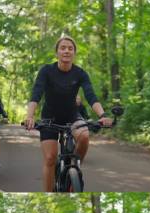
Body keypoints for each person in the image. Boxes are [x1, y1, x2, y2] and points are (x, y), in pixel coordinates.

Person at [24, 36, 113, 192]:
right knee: (51, 158)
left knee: (84, 136)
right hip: (49, 118)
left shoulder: (80, 73)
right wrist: (30, 117)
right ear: (57, 52)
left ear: (74, 53)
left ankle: (74, 165)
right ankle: (49, 193)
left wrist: (102, 115)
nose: (66, 51)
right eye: (63, 48)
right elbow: (36, 94)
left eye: (70, 48)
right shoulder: (47, 71)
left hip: (72, 115)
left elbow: (91, 96)